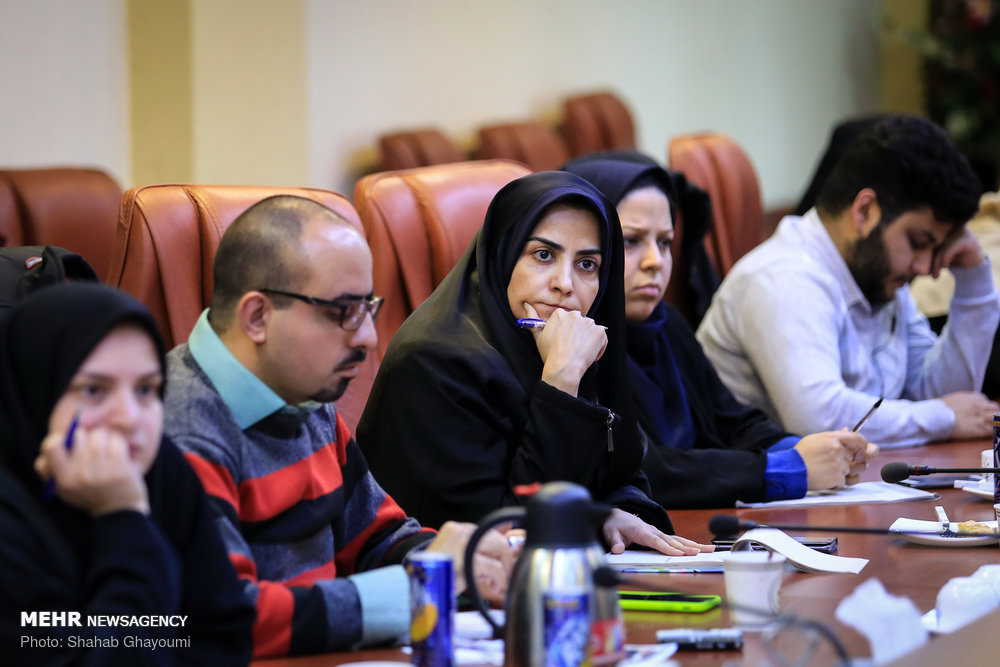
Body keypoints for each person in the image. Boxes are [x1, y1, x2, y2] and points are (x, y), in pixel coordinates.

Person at [162, 195, 513, 658]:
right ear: (257, 317)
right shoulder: (178, 432)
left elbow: (376, 537)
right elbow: (226, 617)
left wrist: (464, 564)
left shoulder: (303, 391)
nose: (368, 337)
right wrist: (418, 586)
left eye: (367, 307)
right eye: (342, 311)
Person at [357, 171, 714, 555]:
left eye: (587, 264)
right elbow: (494, 535)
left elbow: (621, 475)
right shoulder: (432, 365)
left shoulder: (566, 341)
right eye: (543, 255)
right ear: (503, 255)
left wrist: (615, 512)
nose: (565, 283)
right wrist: (560, 384)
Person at [564, 154, 876, 508]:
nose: (655, 261)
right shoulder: (575, 346)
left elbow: (733, 422)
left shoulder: (667, 323)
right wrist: (787, 469)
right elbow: (645, 469)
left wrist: (816, 450)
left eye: (664, 242)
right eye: (631, 240)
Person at [696, 115, 1000, 448]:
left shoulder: (875, 273)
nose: (926, 267)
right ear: (865, 212)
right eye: (917, 241)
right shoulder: (783, 277)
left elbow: (947, 399)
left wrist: (974, 279)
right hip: (745, 478)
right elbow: (819, 419)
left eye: (935, 248)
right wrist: (943, 417)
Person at [0, 283, 254, 665]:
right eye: (93, 390)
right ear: (35, 390)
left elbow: (224, 636)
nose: (129, 418)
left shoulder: (162, 469)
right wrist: (123, 517)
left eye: (146, 389)